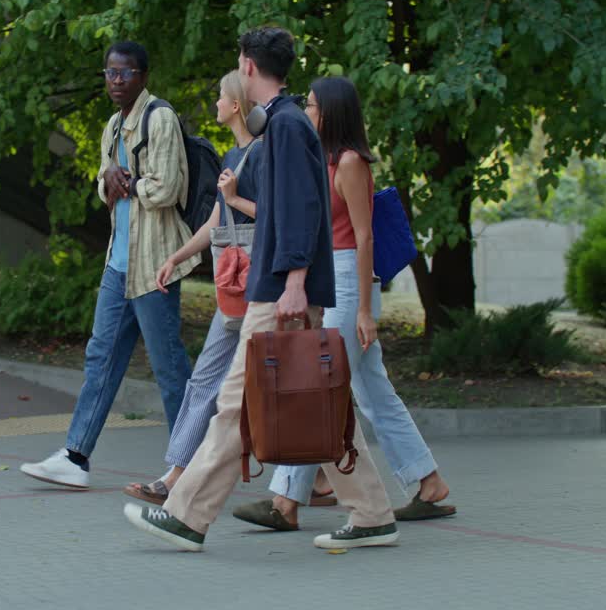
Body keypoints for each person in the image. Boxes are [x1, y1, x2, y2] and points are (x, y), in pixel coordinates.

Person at [123, 27, 398, 552]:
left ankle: (186, 516)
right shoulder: (287, 123)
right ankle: (372, 514)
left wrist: (294, 282)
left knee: (234, 404)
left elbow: (300, 209)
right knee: (324, 402)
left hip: (279, 289)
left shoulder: (289, 126)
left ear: (247, 66)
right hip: (277, 285)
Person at [232, 77, 456, 534]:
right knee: (373, 393)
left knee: (317, 387)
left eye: (312, 106)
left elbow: (364, 235)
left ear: (331, 111)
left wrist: (364, 311)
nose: (306, 112)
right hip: (330, 274)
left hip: (351, 277)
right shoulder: (320, 158)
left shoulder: (350, 163)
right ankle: (428, 483)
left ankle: (283, 501)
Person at [21, 42, 199, 489]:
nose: (116, 81)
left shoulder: (159, 118)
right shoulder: (113, 126)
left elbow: (168, 188)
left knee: (170, 367)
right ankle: (75, 456)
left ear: (143, 75)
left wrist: (128, 181)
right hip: (118, 264)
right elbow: (104, 186)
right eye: (110, 73)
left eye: (125, 73)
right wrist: (109, 180)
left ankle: (192, 462)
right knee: (100, 359)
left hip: (154, 263)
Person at [122, 70, 260, 504]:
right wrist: (177, 257)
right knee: (204, 381)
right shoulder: (233, 158)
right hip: (232, 289)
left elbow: (275, 214)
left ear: (236, 105)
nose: (215, 104)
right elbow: (217, 222)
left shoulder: (262, 155)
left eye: (221, 97)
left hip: (261, 288)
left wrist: (236, 198)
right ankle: (175, 476)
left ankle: (316, 479)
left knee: (266, 386)